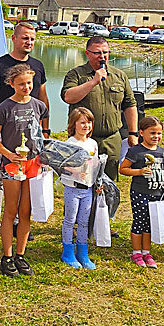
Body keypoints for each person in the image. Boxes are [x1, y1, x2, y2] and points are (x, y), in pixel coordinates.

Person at [62, 36, 138, 238]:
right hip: (83, 141)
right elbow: (68, 97)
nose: (102, 56)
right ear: (87, 54)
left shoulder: (119, 75)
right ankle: (79, 223)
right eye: (97, 52)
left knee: (108, 183)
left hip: (111, 138)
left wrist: (133, 133)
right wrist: (94, 80)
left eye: (105, 52)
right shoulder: (76, 74)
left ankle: (102, 222)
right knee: (81, 182)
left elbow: (130, 104)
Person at [0, 22, 50, 232]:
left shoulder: (38, 66)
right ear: (14, 38)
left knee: (26, 178)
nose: (29, 42)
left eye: (32, 38)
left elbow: (43, 99)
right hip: (4, 134)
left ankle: (18, 223)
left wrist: (45, 131)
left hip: (30, 135)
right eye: (24, 38)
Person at [0, 64, 48, 277]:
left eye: (29, 83)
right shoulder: (4, 108)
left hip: (33, 164)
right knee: (10, 211)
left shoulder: (38, 106)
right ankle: (6, 255)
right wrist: (8, 154)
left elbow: (40, 134)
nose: (26, 87)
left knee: (26, 212)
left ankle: (20, 255)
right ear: (11, 84)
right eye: (21, 84)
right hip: (12, 164)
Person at [119, 116, 164, 268]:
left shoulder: (163, 152)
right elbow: (123, 169)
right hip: (139, 192)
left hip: (157, 193)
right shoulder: (135, 151)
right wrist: (139, 172)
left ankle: (146, 252)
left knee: (150, 223)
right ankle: (136, 252)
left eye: (159, 133)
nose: (156, 137)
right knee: (139, 222)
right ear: (141, 133)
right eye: (152, 133)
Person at [59, 107, 101, 270]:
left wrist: (97, 181)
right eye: (82, 122)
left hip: (88, 188)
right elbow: (61, 164)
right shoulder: (69, 143)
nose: (86, 126)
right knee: (70, 220)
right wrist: (75, 170)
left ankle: (83, 252)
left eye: (89, 122)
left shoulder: (93, 143)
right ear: (73, 124)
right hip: (72, 188)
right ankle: (68, 252)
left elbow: (95, 164)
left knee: (84, 221)